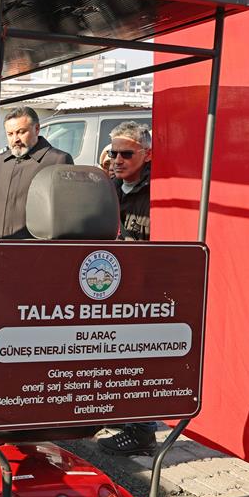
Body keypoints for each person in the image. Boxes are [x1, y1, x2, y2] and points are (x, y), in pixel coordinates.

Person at [97, 121, 155, 456]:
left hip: (144, 288)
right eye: (114, 152)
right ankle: (127, 416)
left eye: (126, 153)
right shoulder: (113, 188)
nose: (118, 159)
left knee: (138, 358)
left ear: (146, 155)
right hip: (117, 284)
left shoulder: (157, 192)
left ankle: (142, 431)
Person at [0, 107, 73, 239]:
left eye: (21, 132)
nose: (15, 139)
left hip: (36, 248)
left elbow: (65, 213)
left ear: (36, 129)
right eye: (10, 134)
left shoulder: (58, 161)